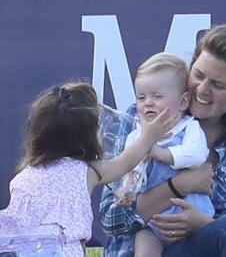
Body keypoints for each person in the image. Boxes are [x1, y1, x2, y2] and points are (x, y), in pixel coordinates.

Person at [99, 21, 226, 257]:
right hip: (154, 250)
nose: (201, 89)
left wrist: (202, 223)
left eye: (218, 85)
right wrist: (178, 186)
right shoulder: (143, 117)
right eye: (198, 74)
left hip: (221, 246)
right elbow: (110, 219)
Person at [0, 82, 172, 257]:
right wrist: (149, 136)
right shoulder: (86, 171)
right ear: (89, 136)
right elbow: (125, 163)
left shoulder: (23, 177)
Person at [113, 53, 214, 257]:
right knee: (143, 244)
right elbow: (131, 167)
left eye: (157, 97)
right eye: (141, 97)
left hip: (191, 214)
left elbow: (196, 155)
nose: (148, 103)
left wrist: (163, 154)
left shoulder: (189, 128)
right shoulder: (136, 136)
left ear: (183, 101)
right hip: (153, 222)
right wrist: (127, 188)